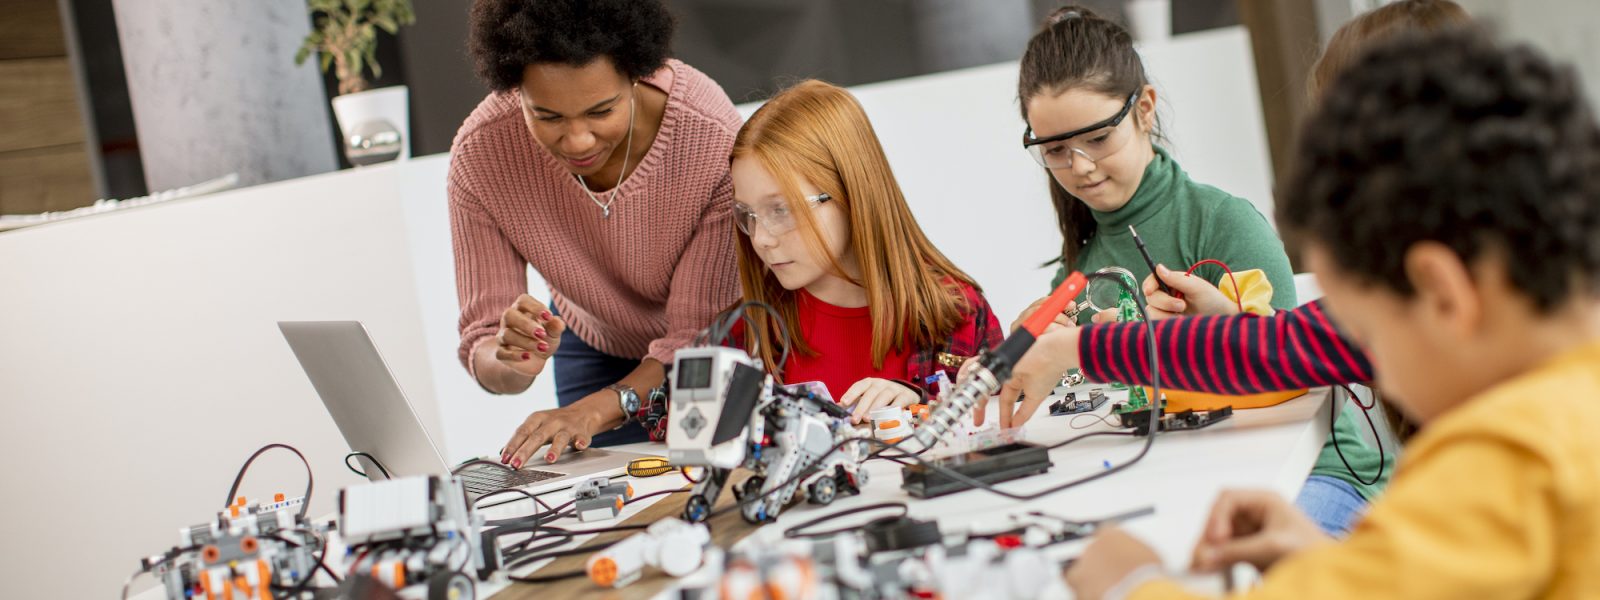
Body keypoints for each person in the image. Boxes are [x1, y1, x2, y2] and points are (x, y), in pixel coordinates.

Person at [1063, 25, 1600, 599]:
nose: (1377, 373)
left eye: (1367, 332)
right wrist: (1330, 565)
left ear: (1442, 293)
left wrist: (1135, 584)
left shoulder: (1504, 460)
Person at [1004, 5, 1386, 536]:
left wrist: (1218, 322)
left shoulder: (1223, 222)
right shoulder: (1078, 267)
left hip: (1310, 477)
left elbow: (1286, 366)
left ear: (1144, 110)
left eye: (1096, 139)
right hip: (1180, 483)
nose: (1081, 167)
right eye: (1056, 150)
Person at [449, 0, 742, 467]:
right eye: (547, 117)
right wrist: (510, 358)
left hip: (709, 344)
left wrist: (590, 412)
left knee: (708, 483)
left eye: (601, 111)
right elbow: (484, 343)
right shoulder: (481, 156)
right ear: (515, 91)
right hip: (594, 341)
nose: (578, 140)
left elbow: (694, 340)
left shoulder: (709, 135)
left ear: (636, 74)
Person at [627, 80, 1003, 440]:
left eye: (781, 210)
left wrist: (924, 403)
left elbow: (1007, 416)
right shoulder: (747, 333)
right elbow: (667, 417)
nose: (761, 238)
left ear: (850, 191)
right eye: (747, 215)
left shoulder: (956, 312)